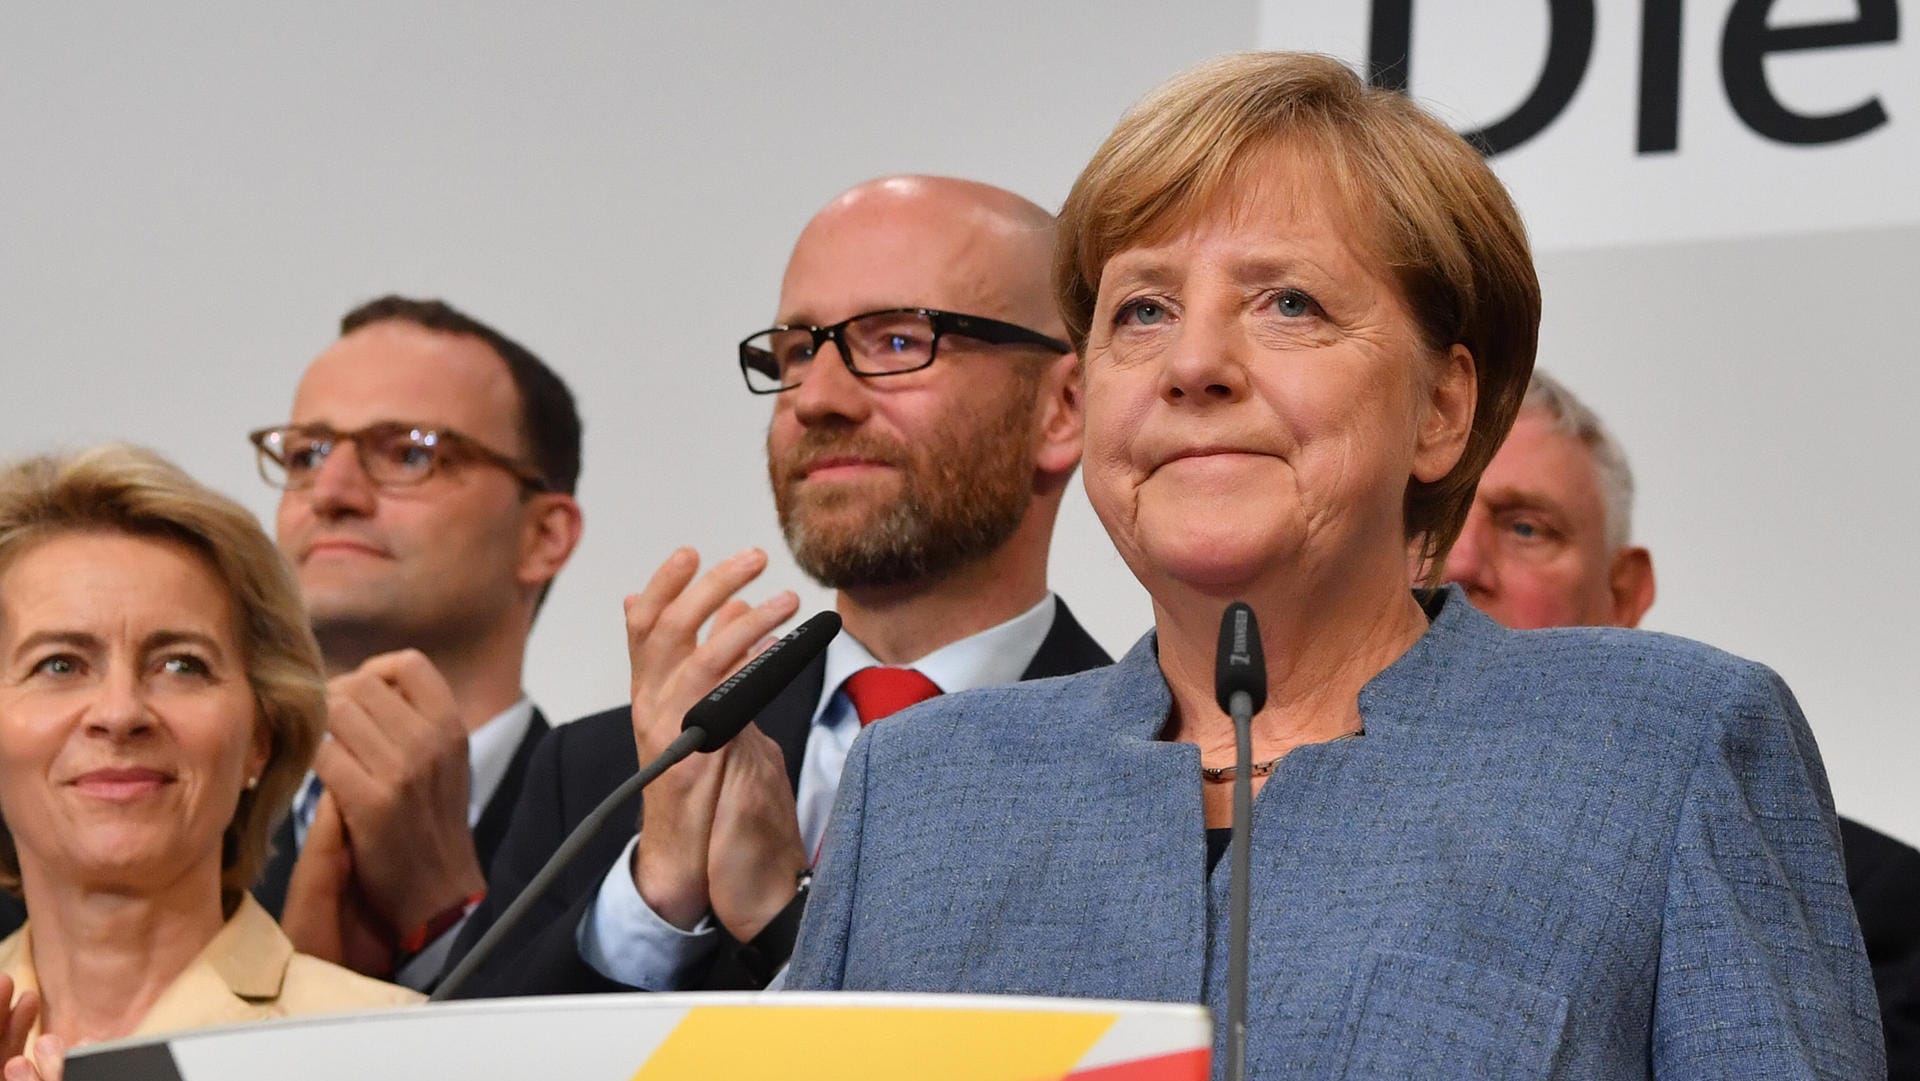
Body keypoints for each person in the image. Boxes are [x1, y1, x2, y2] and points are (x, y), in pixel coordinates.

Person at [785, 53, 1883, 1079]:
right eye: (1144, 310)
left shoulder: (1663, 748)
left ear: (1443, 409)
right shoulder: (919, 790)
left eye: (1288, 303)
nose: (1196, 364)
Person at [446, 175, 1111, 996]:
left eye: (899, 340)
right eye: (798, 352)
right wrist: (655, 902)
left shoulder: (1167, 770)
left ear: (1064, 408)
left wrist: (785, 920)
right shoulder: (603, 774)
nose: (817, 398)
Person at [1442, 368, 1920, 1078]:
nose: (1460, 564)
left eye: (1524, 527)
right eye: (1431, 520)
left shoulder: (1874, 909)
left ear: (1624, 591)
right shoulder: (1271, 834)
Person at [0, 446, 419, 1079]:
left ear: (262, 733)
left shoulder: (398, 1050)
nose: (120, 712)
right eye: (59, 664)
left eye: (181, 665)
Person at [247, 296, 584, 988]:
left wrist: (448, 916)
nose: (331, 491)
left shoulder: (631, 840)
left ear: (543, 535)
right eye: (307, 453)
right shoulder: (182, 816)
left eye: (409, 452)